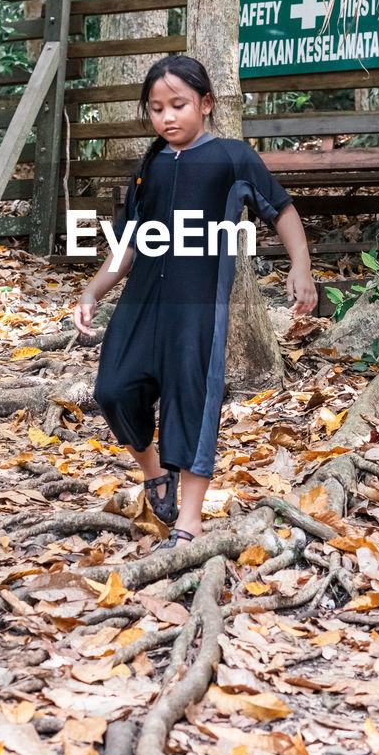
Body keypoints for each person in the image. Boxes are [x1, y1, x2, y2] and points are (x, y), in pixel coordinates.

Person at [72, 55, 318, 548]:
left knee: (191, 402)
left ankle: (189, 520)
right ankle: (154, 474)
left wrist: (301, 267)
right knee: (114, 389)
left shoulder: (232, 157)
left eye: (178, 105)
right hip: (141, 304)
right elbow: (129, 244)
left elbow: (283, 210)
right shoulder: (149, 167)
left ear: (206, 104)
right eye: (157, 108)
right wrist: (94, 291)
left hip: (199, 308)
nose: (167, 117)